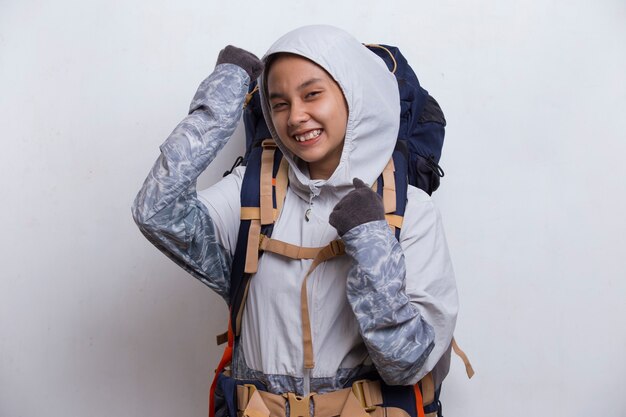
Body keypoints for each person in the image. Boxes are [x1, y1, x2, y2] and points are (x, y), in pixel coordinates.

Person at [133, 25, 458, 416]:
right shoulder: (248, 192)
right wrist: (222, 96)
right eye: (279, 102)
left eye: (312, 94)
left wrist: (370, 239)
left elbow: (405, 363)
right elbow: (156, 211)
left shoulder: (410, 209)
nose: (296, 117)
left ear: (354, 93)